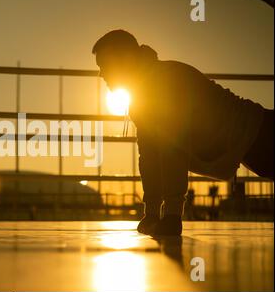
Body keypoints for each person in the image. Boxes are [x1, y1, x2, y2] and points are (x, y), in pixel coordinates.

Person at [92, 29, 274, 236]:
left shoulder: (161, 82)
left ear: (124, 59)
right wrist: (151, 213)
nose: (101, 74)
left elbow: (172, 150)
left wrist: (171, 215)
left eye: (104, 65)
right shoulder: (141, 95)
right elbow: (150, 156)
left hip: (262, 133)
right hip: (252, 139)